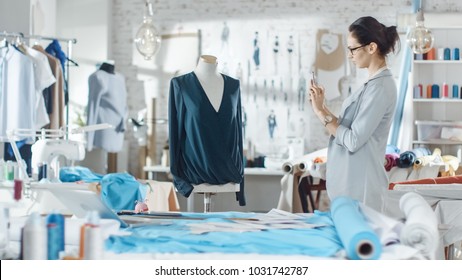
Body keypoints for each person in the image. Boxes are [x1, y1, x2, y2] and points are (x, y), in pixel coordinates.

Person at [308, 16, 400, 212]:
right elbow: (347, 127)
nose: (349, 55)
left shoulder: (380, 88)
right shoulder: (371, 85)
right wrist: (321, 107)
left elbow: (352, 140)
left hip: (362, 190)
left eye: (353, 49)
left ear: (371, 48)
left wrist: (320, 114)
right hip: (353, 187)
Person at [168, 55, 245, 206]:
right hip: (195, 170)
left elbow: (238, 133)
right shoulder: (181, 84)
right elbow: (174, 133)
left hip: (228, 170)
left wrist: (242, 185)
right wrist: (177, 176)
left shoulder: (233, 85)